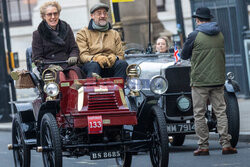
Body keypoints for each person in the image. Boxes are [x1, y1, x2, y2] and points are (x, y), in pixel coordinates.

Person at [181, 7, 237, 156]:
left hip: (200, 81)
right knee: (221, 112)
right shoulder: (219, 34)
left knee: (199, 114)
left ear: (198, 20)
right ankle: (226, 144)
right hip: (218, 80)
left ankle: (203, 146)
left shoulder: (194, 35)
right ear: (210, 19)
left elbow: (184, 55)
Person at [32, 1, 82, 81]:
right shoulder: (38, 34)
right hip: (50, 67)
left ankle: (77, 93)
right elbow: (37, 58)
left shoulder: (67, 28)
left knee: (75, 73)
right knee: (60, 76)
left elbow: (74, 48)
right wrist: (50, 66)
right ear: (44, 17)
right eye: (49, 14)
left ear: (58, 14)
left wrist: (73, 56)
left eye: (55, 13)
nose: (53, 17)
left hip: (67, 64)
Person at [76, 3, 128, 80]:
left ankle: (118, 90)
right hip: (91, 65)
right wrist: (95, 58)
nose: (102, 16)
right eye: (99, 13)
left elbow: (121, 55)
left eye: (104, 13)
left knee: (122, 64)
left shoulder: (114, 33)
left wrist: (115, 57)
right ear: (92, 16)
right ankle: (93, 90)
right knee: (94, 65)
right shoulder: (83, 33)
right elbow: (82, 56)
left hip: (110, 64)